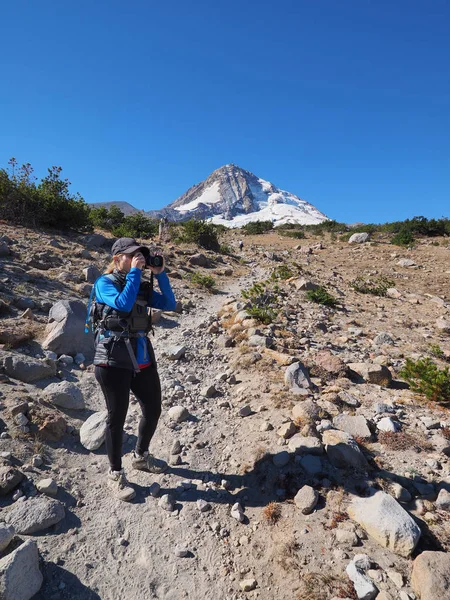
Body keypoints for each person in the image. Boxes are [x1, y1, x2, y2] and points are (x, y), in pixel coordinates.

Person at [89, 237, 177, 501]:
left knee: (153, 408)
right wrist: (136, 273)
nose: (138, 258)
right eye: (132, 255)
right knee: (117, 418)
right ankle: (115, 473)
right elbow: (124, 305)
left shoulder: (140, 283)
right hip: (112, 358)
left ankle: (141, 456)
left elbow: (170, 304)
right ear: (118, 259)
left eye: (141, 255)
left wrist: (160, 275)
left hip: (140, 354)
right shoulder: (104, 283)